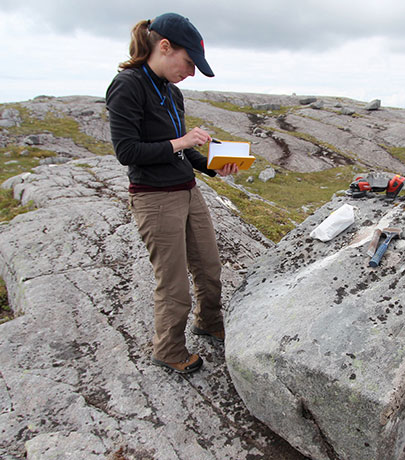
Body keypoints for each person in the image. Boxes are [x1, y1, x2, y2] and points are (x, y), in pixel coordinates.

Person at [106, 13, 238, 374]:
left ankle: (209, 322)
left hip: (188, 191)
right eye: (189, 62)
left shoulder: (171, 91)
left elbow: (182, 152)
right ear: (164, 47)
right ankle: (168, 349)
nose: (191, 72)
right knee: (174, 281)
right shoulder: (127, 85)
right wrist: (181, 140)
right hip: (154, 197)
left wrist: (214, 165)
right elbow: (127, 152)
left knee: (209, 267)